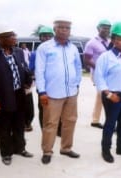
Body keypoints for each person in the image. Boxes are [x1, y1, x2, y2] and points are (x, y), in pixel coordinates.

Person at [0, 24, 33, 166]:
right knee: (3, 126)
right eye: (10, 36)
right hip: (1, 96)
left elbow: (24, 68)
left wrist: (28, 80)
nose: (14, 38)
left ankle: (20, 148)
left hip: (19, 95)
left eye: (13, 34)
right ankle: (6, 153)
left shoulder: (18, 52)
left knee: (19, 123)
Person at [35, 17, 82, 164]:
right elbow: (39, 71)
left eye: (67, 28)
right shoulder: (45, 47)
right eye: (60, 27)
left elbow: (78, 67)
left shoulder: (73, 48)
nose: (64, 30)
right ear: (54, 29)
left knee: (70, 121)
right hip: (52, 93)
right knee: (50, 123)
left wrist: (77, 84)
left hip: (71, 92)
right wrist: (42, 92)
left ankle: (66, 148)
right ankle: (47, 151)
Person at [94, 22, 121, 163]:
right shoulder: (105, 57)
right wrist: (108, 94)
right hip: (113, 95)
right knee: (110, 123)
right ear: (113, 40)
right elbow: (98, 77)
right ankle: (106, 150)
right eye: (120, 39)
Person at [83, 19, 111, 129]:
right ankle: (109, 122)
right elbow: (86, 60)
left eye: (108, 28)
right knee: (104, 95)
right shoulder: (92, 43)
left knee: (100, 97)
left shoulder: (109, 42)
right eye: (104, 27)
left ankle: (95, 120)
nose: (106, 30)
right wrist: (99, 69)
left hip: (108, 74)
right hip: (97, 74)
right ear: (98, 28)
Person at [28, 26, 56, 130]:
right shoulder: (35, 53)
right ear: (40, 38)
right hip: (43, 87)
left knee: (58, 108)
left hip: (57, 85)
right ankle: (44, 128)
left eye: (49, 36)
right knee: (44, 108)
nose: (47, 38)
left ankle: (57, 129)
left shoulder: (58, 51)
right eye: (44, 36)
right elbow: (31, 70)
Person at [19, 42, 35, 132]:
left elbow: (26, 67)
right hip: (13, 87)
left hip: (25, 85)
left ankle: (27, 123)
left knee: (28, 105)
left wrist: (28, 82)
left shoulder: (20, 52)